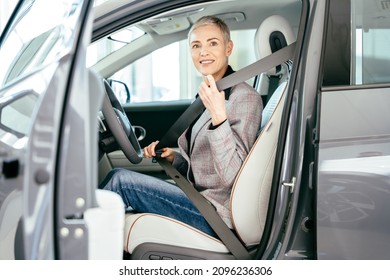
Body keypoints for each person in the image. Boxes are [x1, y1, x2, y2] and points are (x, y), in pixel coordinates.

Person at [100, 15, 263, 238]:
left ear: (228, 48)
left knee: (121, 181)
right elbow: (206, 168)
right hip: (197, 196)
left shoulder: (244, 98)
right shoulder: (209, 90)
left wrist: (219, 117)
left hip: (216, 214)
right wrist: (174, 159)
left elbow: (234, 177)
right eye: (196, 45)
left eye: (212, 43)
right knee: (117, 180)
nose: (203, 52)